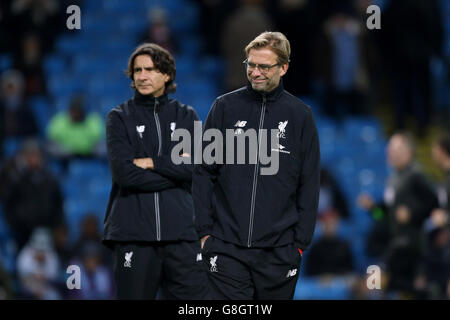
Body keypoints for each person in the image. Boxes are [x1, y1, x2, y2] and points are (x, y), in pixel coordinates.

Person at [192, 31, 321, 300]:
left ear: (283, 68)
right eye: (251, 64)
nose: (255, 72)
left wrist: (299, 244)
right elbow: (203, 172)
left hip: (279, 252)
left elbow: (309, 182)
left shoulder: (301, 116)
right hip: (225, 248)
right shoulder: (224, 107)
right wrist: (205, 233)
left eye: (264, 66)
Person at [102, 43, 208, 300]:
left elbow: (195, 168)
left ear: (167, 74)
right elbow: (125, 175)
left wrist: (152, 162)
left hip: (182, 235)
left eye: (149, 69)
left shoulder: (186, 115)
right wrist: (174, 169)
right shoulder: (119, 117)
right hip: (133, 235)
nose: (142, 76)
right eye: (137, 70)